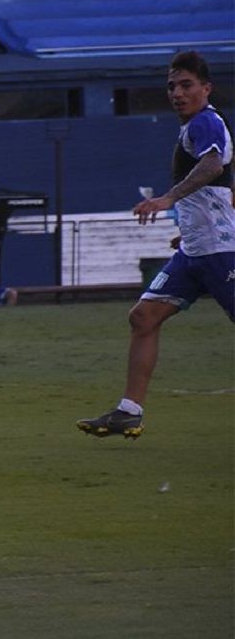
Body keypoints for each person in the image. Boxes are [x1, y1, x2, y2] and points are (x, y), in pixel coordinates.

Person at [78, 51, 235, 440]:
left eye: (186, 85)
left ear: (206, 88)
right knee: (143, 317)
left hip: (220, 252)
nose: (177, 93)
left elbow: (214, 167)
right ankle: (129, 411)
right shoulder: (196, 128)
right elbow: (226, 183)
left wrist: (168, 200)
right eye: (171, 86)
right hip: (196, 251)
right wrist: (193, 228)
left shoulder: (207, 122)